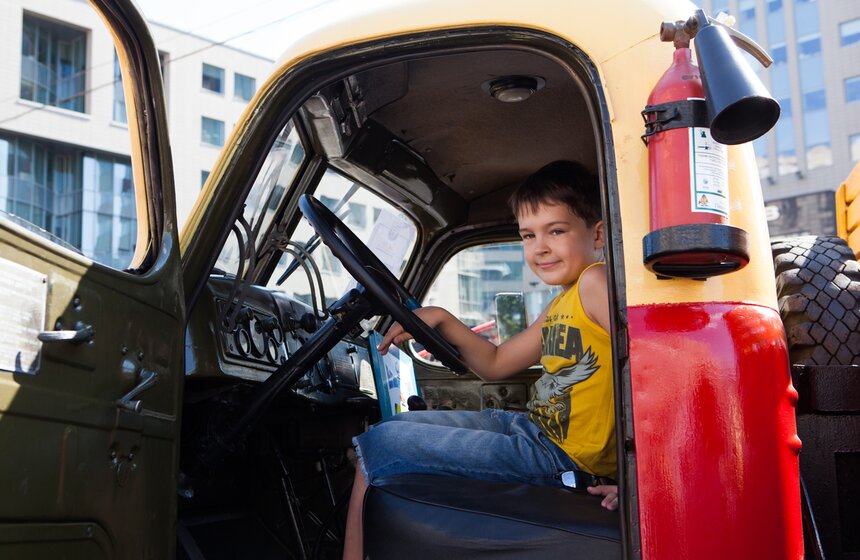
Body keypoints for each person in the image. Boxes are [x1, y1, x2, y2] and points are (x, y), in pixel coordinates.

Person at [343, 160, 618, 560]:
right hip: (532, 429)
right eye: (527, 235)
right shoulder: (565, 300)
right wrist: (441, 318)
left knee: (380, 444)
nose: (539, 247)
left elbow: (653, 368)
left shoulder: (596, 283)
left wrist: (640, 482)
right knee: (397, 426)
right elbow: (496, 362)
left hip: (561, 457)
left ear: (597, 234)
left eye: (555, 231)